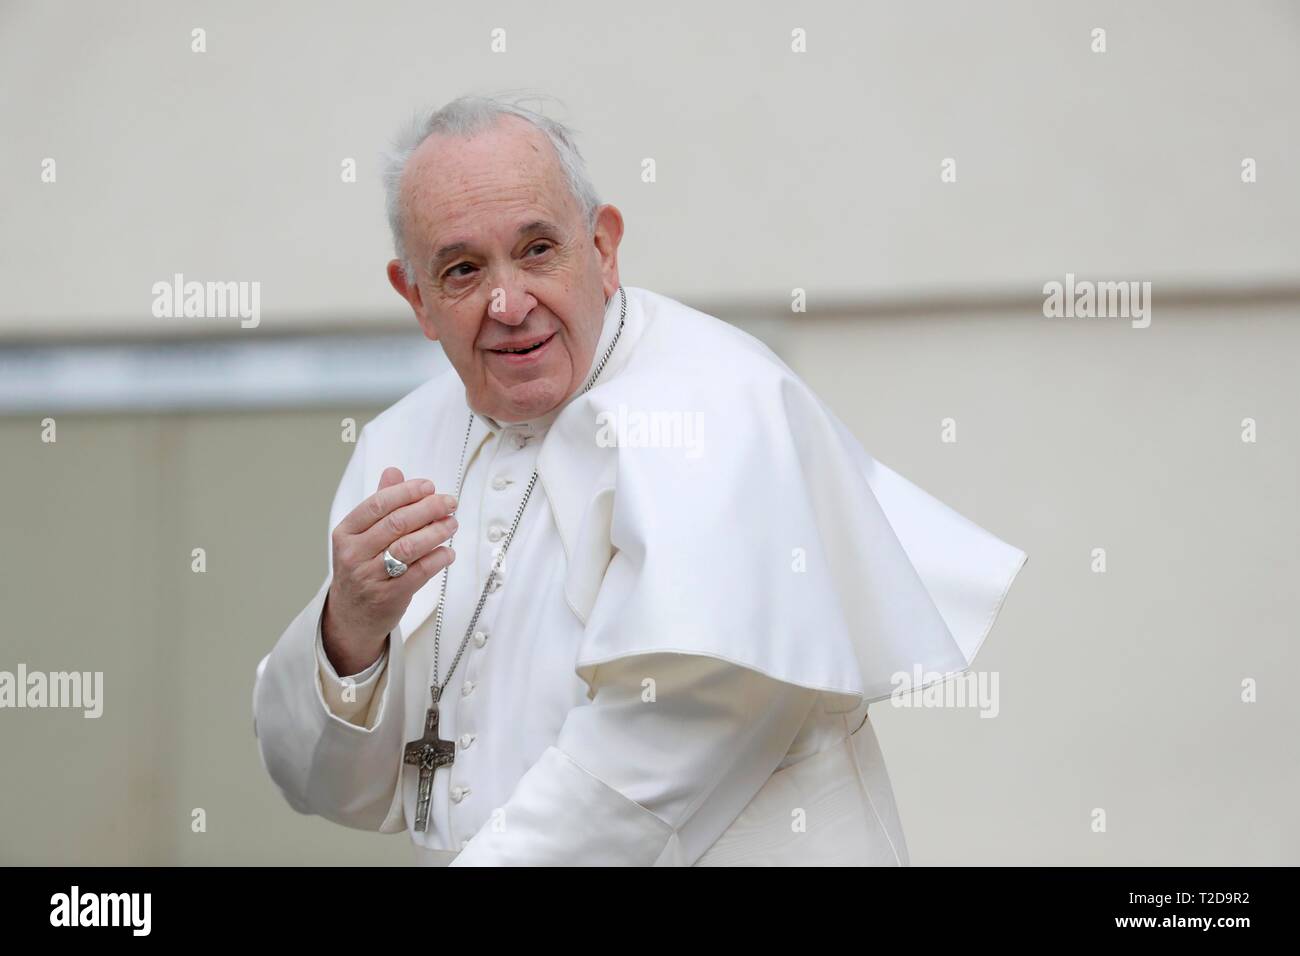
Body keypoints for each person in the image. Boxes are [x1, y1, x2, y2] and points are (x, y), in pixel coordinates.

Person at [252, 94, 1027, 866]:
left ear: (604, 246)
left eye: (537, 250)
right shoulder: (402, 442)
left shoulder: (718, 407)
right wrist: (347, 633)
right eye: (461, 270)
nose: (510, 303)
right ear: (416, 296)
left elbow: (661, 742)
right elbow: (324, 784)